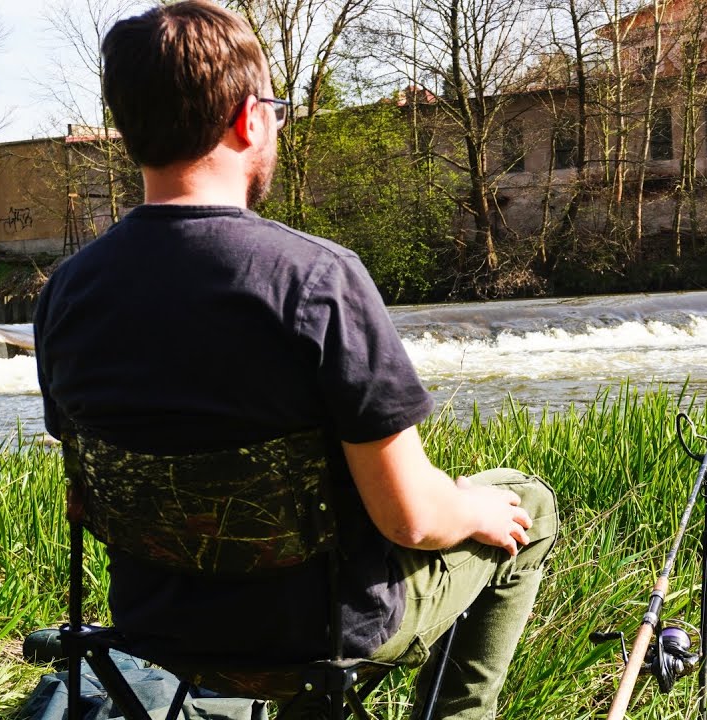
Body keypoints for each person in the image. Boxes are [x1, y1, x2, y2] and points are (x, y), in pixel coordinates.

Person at [32, 2, 556, 718]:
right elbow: (410, 521)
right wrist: (468, 506)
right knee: (527, 504)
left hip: (159, 625)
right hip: (318, 633)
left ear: (128, 133)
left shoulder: (67, 292)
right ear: (250, 120)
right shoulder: (316, 281)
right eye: (277, 111)